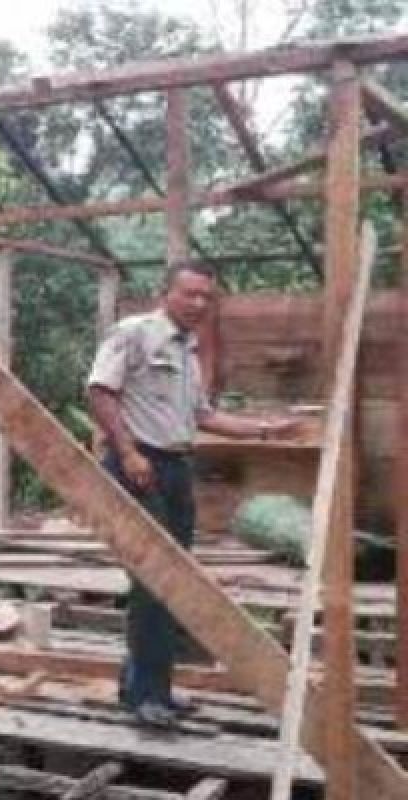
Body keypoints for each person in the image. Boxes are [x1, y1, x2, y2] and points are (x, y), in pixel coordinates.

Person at [87, 260, 298, 728]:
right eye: (190, 294)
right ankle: (146, 697)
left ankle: (149, 688)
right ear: (167, 293)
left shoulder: (188, 349)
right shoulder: (134, 332)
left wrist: (264, 430)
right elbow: (100, 392)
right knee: (154, 580)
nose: (199, 303)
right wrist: (128, 453)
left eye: (207, 296)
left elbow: (204, 417)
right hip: (138, 466)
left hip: (176, 467)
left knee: (172, 583)